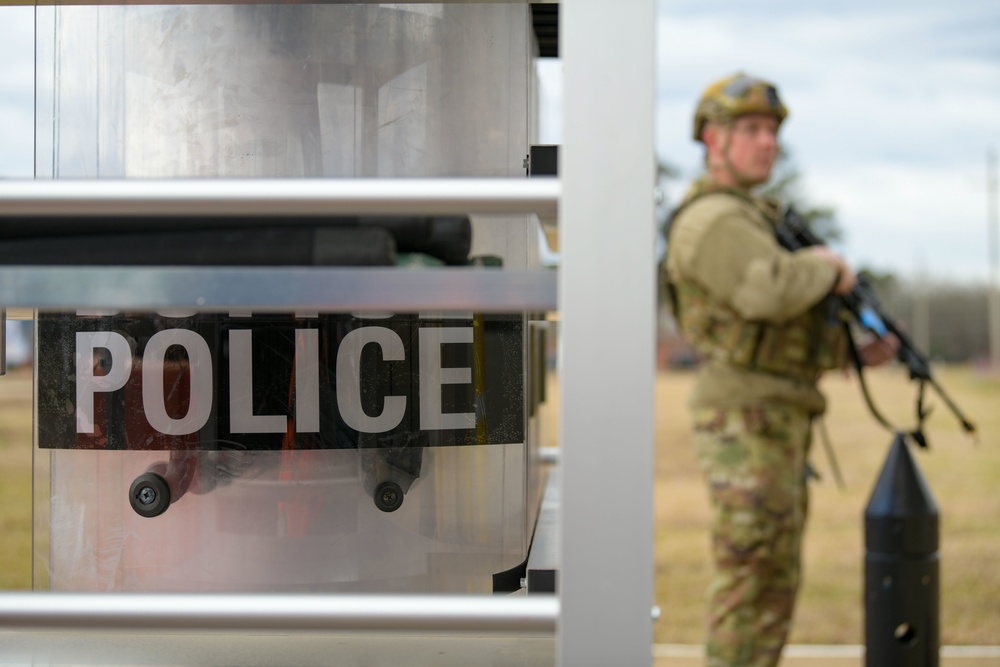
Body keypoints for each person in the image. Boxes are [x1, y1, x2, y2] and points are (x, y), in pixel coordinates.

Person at [663, 73, 898, 667]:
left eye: (771, 131)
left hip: (769, 416)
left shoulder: (749, 217)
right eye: (750, 130)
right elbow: (765, 293)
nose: (766, 142)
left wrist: (848, 354)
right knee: (750, 581)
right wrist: (825, 266)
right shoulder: (715, 218)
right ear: (713, 141)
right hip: (745, 422)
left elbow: (768, 334)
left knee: (771, 580)